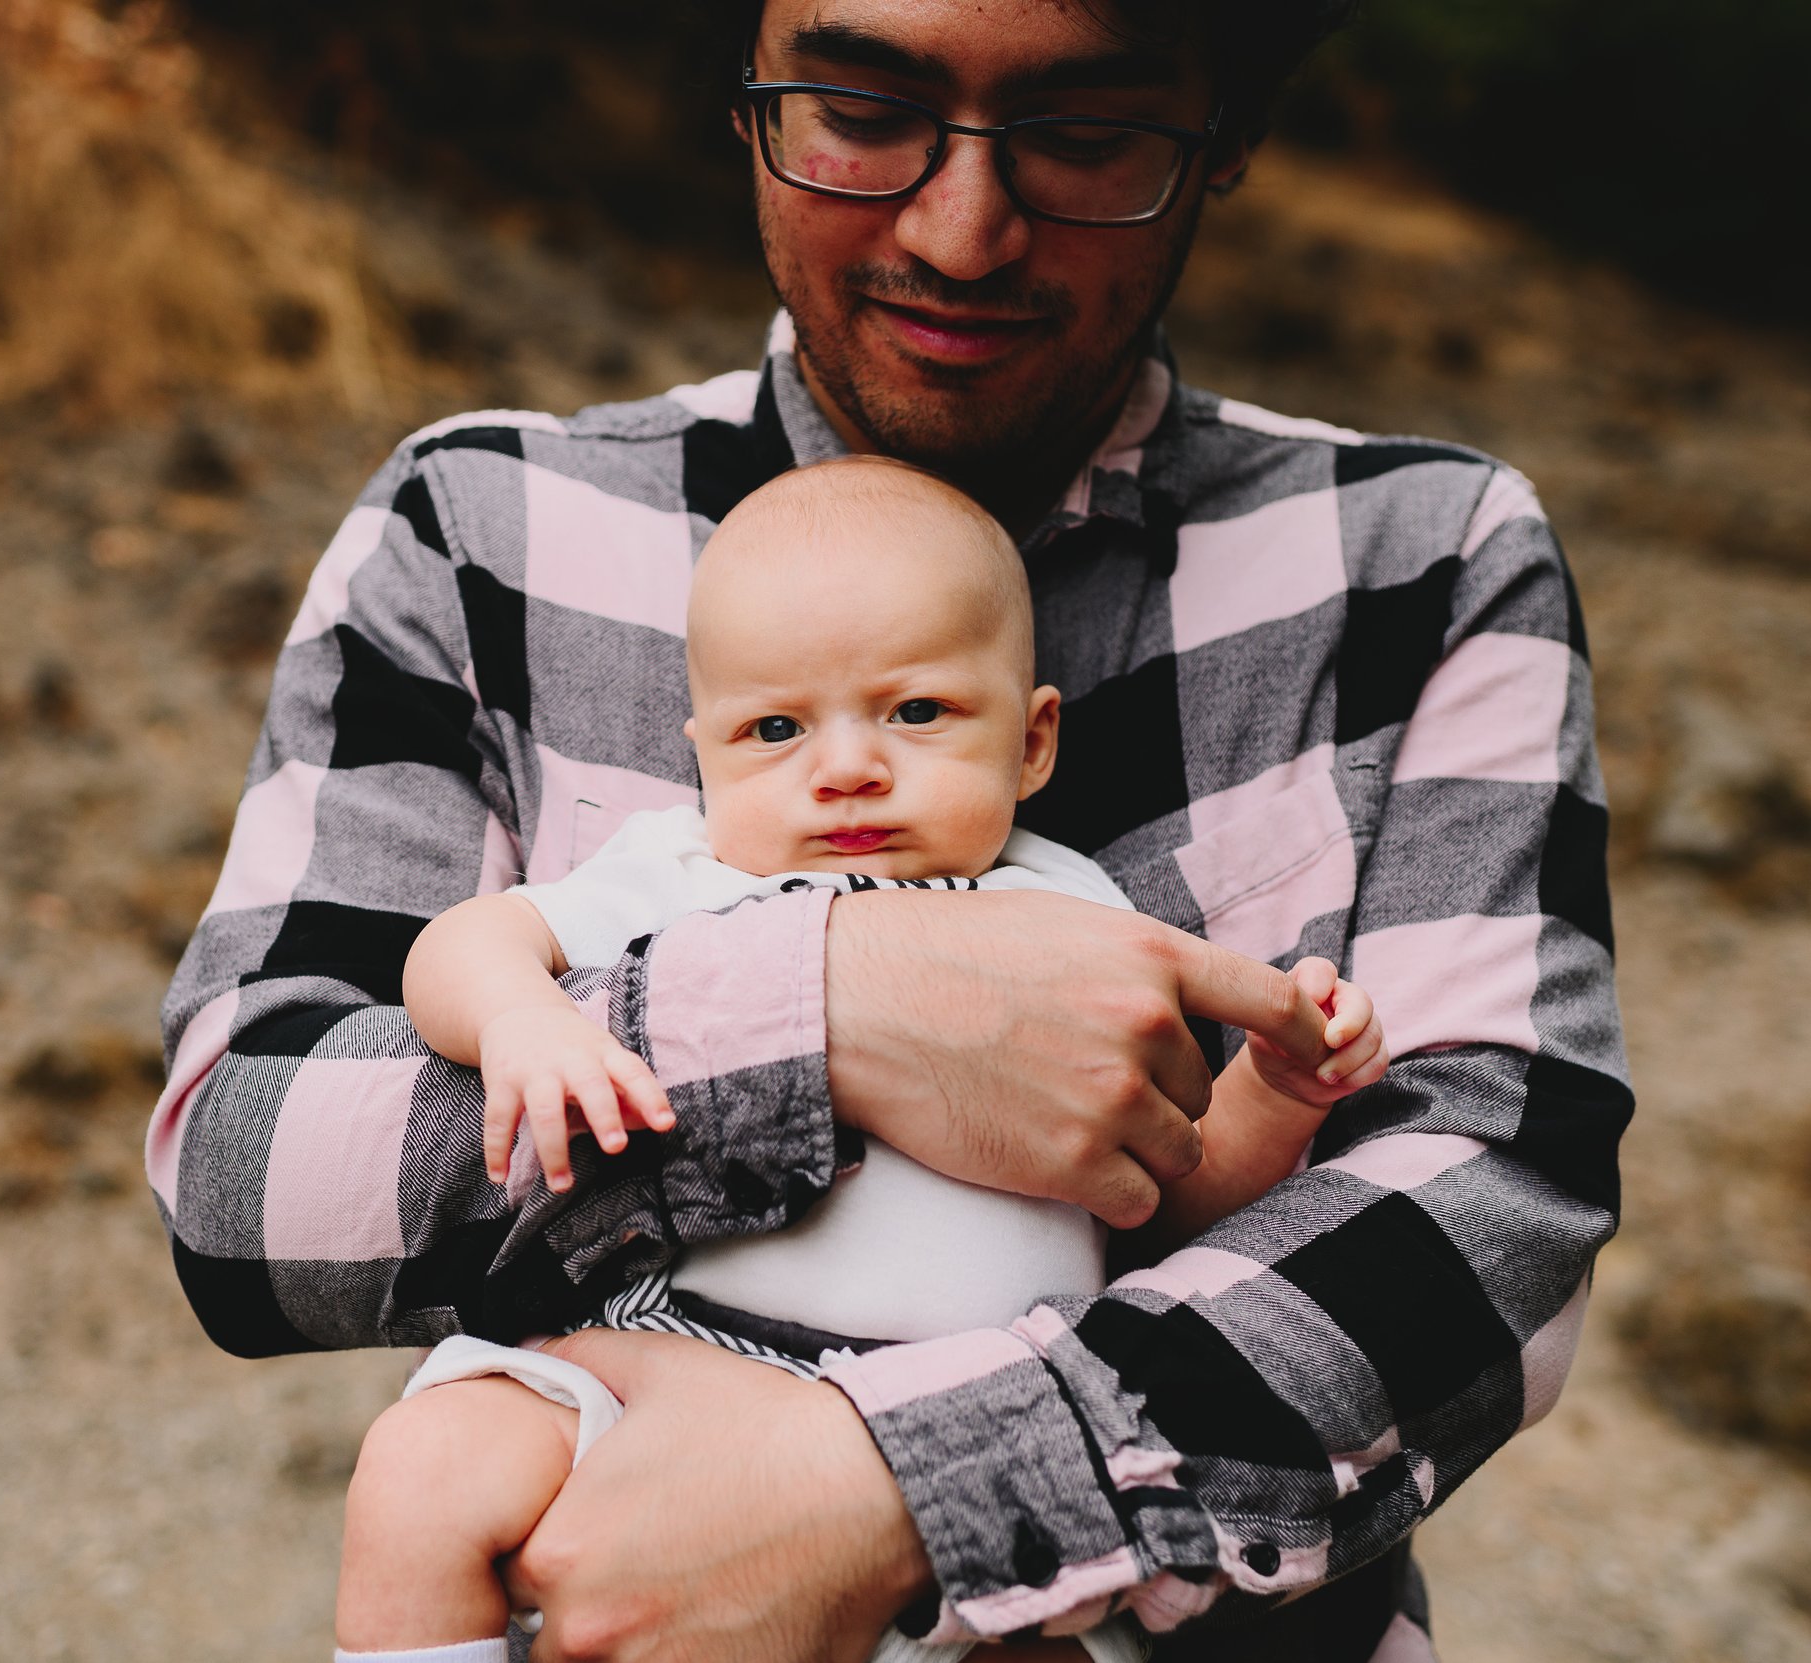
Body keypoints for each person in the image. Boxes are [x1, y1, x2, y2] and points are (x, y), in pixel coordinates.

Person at [144, 1, 1632, 1657]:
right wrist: (829, 1019)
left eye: (1083, 134)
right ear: (740, 90)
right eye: (862, 102)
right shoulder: (477, 529)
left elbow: (1490, 1209)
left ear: (1224, 135)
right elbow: (242, 1181)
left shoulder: (1425, 564)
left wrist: (899, 1490)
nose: (961, 229)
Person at [332, 457, 1390, 1663]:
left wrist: (1276, 1088)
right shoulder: (683, 868)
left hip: (968, 1431)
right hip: (667, 1356)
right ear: (704, 754)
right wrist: (520, 1015)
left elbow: (1166, 1190)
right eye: (774, 728)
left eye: (916, 712)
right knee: (424, 1464)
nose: (844, 767)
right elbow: (462, 943)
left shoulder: (1082, 918)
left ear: (1033, 739)